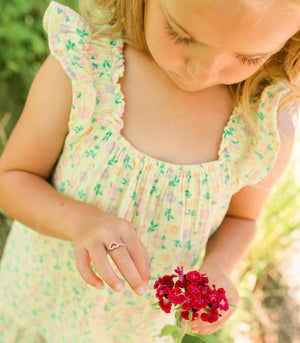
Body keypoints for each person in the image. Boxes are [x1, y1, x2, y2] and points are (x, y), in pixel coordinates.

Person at [0, 0, 299, 341]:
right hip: (40, 298)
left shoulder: (261, 127)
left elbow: (242, 219)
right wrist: (81, 222)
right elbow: (13, 178)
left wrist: (218, 267)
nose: (203, 70)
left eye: (248, 57)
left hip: (131, 330)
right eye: (181, 35)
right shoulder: (86, 67)